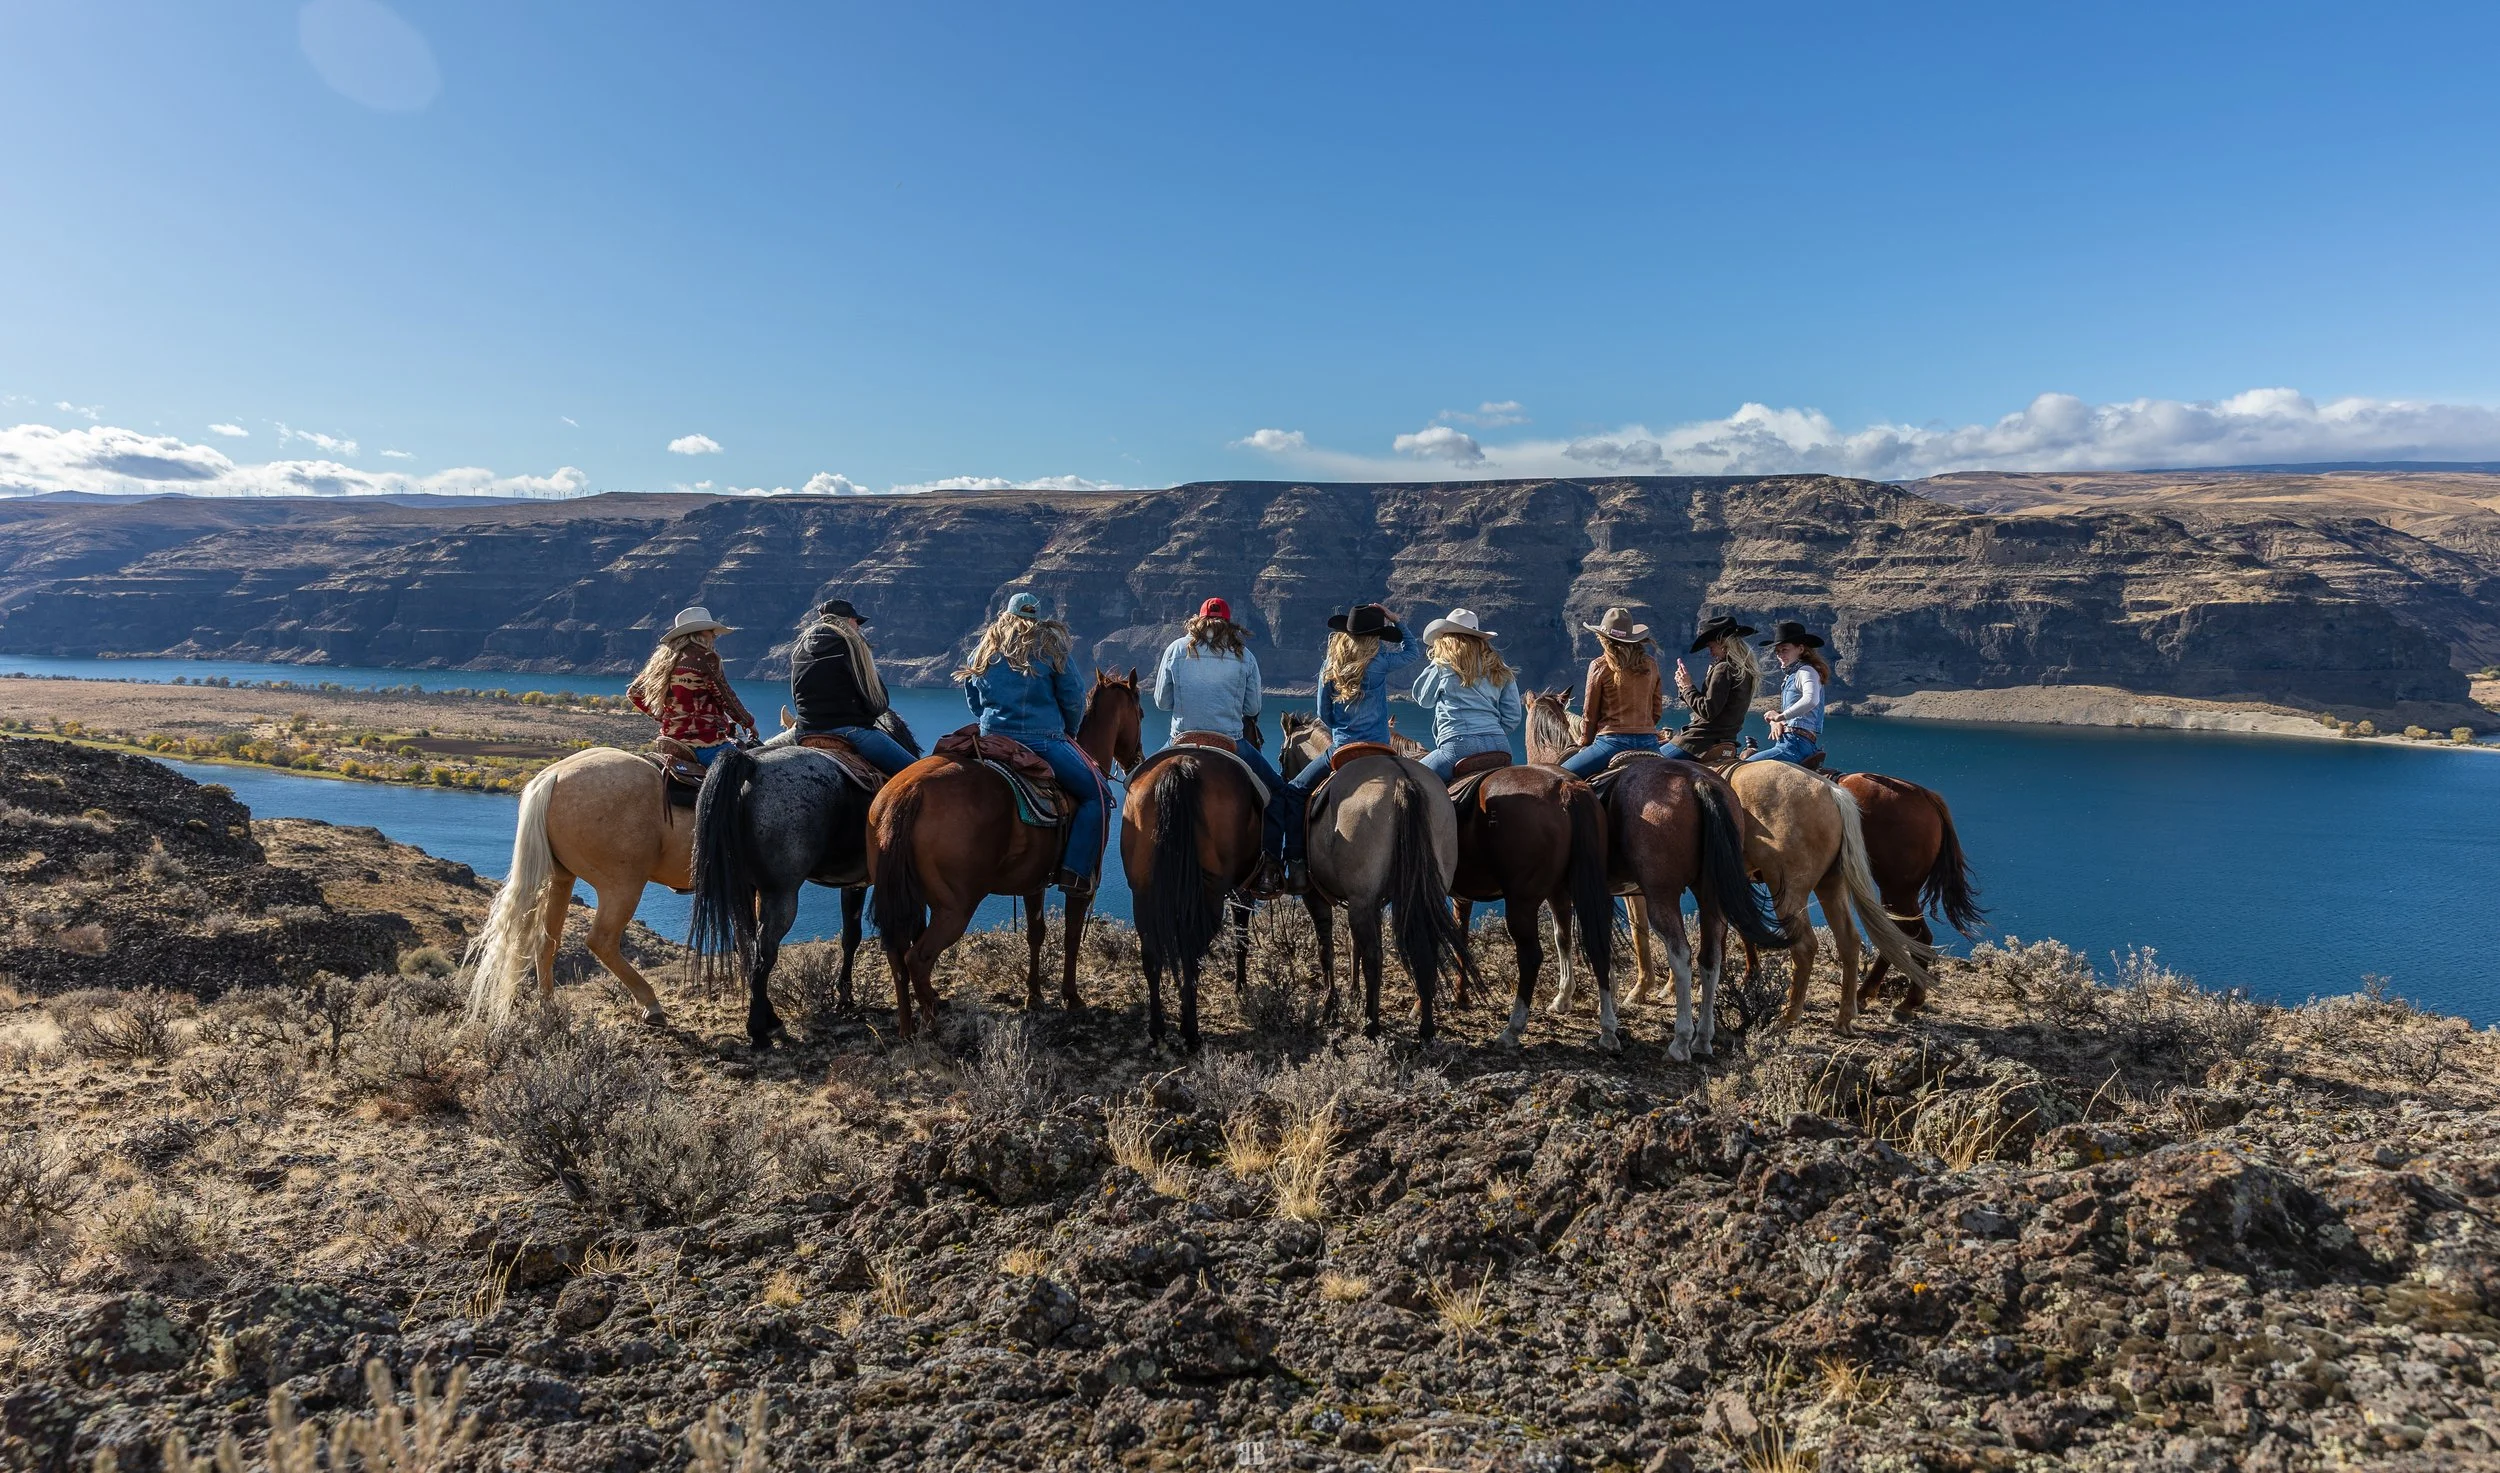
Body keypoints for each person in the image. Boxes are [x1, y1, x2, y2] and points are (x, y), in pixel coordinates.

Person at [957, 592, 1108, 898]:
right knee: (1099, 796)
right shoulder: (1051, 648)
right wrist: (1070, 730)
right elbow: (1074, 697)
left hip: (992, 740)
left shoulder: (984, 649)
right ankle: (1075, 873)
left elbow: (973, 697)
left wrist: (991, 723)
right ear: (1036, 618)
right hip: (1044, 741)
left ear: (1006, 616)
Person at [1278, 603, 1422, 890]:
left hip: (1343, 749)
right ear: (1375, 636)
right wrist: (1397, 622)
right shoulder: (1380, 660)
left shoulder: (1330, 665)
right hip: (1380, 747)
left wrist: (1340, 725)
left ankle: (1294, 862)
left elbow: (1323, 714)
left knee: (1293, 793)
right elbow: (1413, 653)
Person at [1152, 596, 1290, 855]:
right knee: (1279, 793)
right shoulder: (1244, 656)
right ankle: (1270, 865)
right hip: (1230, 743)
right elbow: (1252, 709)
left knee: (1140, 782)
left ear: (1199, 620)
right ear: (1229, 623)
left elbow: (1160, 702)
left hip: (1181, 739)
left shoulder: (1176, 649)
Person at [788, 598, 916, 776]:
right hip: (849, 732)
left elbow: (796, 695)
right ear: (847, 620)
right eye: (857, 621)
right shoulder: (852, 645)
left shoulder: (800, 649)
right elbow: (877, 702)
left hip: (804, 733)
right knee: (921, 775)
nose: (858, 626)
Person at [627, 606, 755, 766]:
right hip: (704, 743)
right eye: (711, 631)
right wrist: (748, 722)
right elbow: (725, 696)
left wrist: (666, 717)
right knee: (746, 769)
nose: (714, 636)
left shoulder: (663, 659)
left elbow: (634, 693)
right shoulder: (706, 657)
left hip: (669, 743)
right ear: (699, 633)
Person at [1409, 607, 1524, 779]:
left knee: (1409, 779)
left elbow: (1423, 699)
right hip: (1499, 745)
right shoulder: (1500, 668)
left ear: (1446, 639)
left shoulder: (1443, 665)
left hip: (1458, 747)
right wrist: (1489, 732)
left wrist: (1436, 661)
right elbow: (1513, 717)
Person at [1560, 606, 1664, 779]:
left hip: (1612, 743)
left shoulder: (1599, 666)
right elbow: (1657, 710)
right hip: (1649, 743)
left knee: (1559, 776)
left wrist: (1584, 741)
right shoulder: (1650, 664)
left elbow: (1589, 714)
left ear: (1603, 639)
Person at [1667, 613, 1759, 759]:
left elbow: (1708, 710)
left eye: (1711, 647)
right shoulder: (1745, 670)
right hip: (1727, 739)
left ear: (1722, 642)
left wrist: (1687, 687)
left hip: (1699, 742)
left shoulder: (1724, 668)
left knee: (1648, 764)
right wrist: (1685, 688)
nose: (1710, 652)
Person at [1743, 620, 1831, 766]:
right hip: (1792, 743)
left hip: (1795, 745)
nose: (1779, 655)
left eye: (1784, 650)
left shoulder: (1806, 671)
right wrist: (1779, 720)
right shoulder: (1794, 674)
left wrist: (1780, 717)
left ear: (1801, 649)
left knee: (1742, 767)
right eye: (1777, 651)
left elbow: (1811, 700)